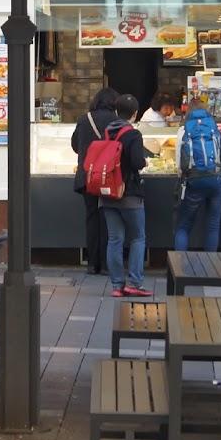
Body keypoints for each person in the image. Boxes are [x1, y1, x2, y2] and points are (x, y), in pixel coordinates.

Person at [100, 94, 150, 298]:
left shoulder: (107, 131)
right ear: (135, 113)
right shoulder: (133, 134)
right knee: (138, 237)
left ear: (115, 111)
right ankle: (134, 283)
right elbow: (137, 162)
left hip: (107, 193)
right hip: (129, 193)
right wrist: (145, 162)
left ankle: (116, 285)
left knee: (114, 239)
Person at [173, 105, 221, 252]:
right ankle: (210, 267)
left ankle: (179, 267)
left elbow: (179, 166)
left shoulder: (183, 131)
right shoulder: (214, 130)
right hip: (217, 182)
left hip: (194, 182)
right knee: (213, 226)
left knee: (184, 226)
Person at [72, 87, 119, 274]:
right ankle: (107, 264)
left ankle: (92, 263)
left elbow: (75, 145)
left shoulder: (85, 119)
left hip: (88, 176)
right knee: (108, 218)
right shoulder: (117, 121)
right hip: (108, 177)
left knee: (91, 217)